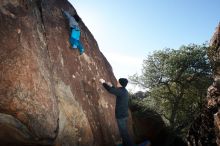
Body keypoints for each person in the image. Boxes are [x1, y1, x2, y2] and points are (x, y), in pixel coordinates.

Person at [100, 78, 134, 146]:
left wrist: (103, 82)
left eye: (118, 82)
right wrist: (111, 85)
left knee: (124, 133)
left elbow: (110, 90)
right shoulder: (124, 91)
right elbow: (115, 90)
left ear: (121, 84)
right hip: (124, 115)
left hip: (121, 116)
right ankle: (125, 143)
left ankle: (129, 144)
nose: (117, 83)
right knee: (124, 132)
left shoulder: (121, 91)